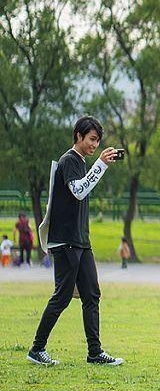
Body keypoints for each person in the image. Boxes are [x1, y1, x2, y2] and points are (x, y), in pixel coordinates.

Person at [28, 115, 125, 366]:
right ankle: (37, 349)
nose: (95, 145)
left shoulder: (81, 162)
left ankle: (95, 352)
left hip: (81, 241)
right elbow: (79, 190)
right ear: (78, 136)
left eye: (98, 141)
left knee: (91, 294)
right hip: (66, 241)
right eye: (91, 139)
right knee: (61, 296)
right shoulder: (69, 160)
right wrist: (101, 165)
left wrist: (98, 165)